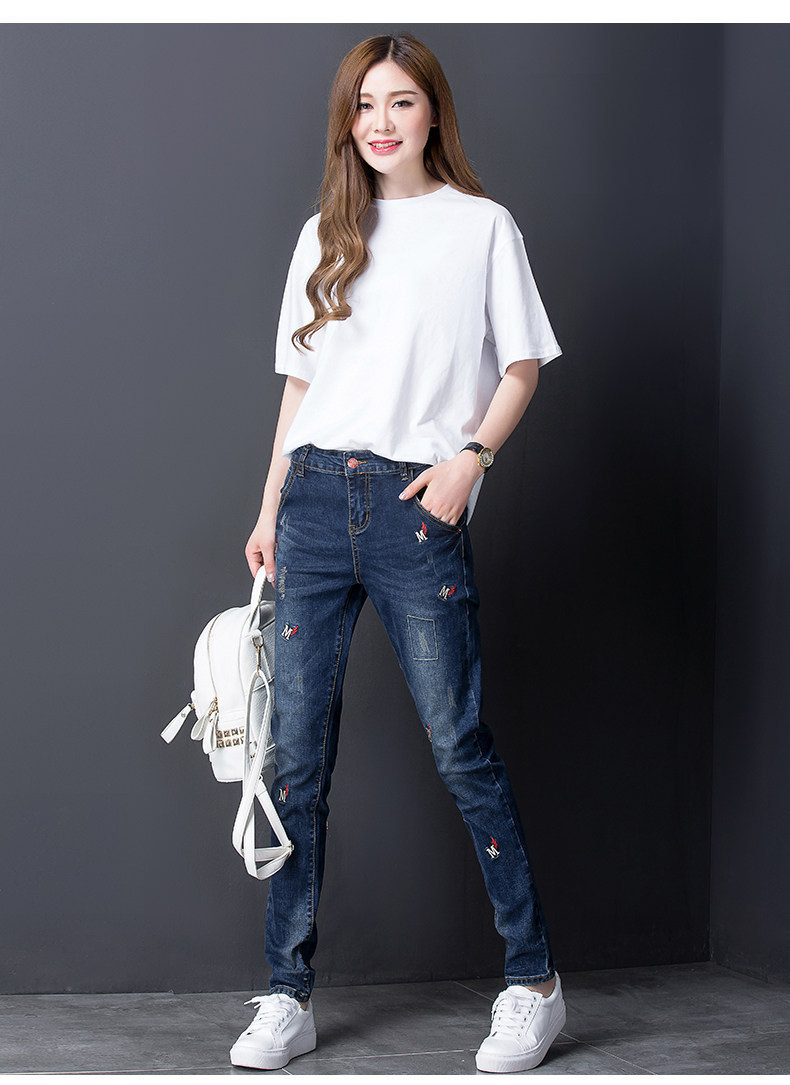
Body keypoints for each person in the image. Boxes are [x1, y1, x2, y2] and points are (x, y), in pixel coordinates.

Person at [235, 32, 567, 1074]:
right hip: (311, 500)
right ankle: (286, 993)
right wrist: (269, 505)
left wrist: (472, 458)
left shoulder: (481, 226)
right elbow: (300, 386)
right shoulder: (324, 234)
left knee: (459, 744)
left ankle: (534, 984)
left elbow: (521, 364)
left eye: (400, 102)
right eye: (364, 105)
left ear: (433, 114)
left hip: (415, 503)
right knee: (293, 761)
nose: (380, 122)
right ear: (348, 122)